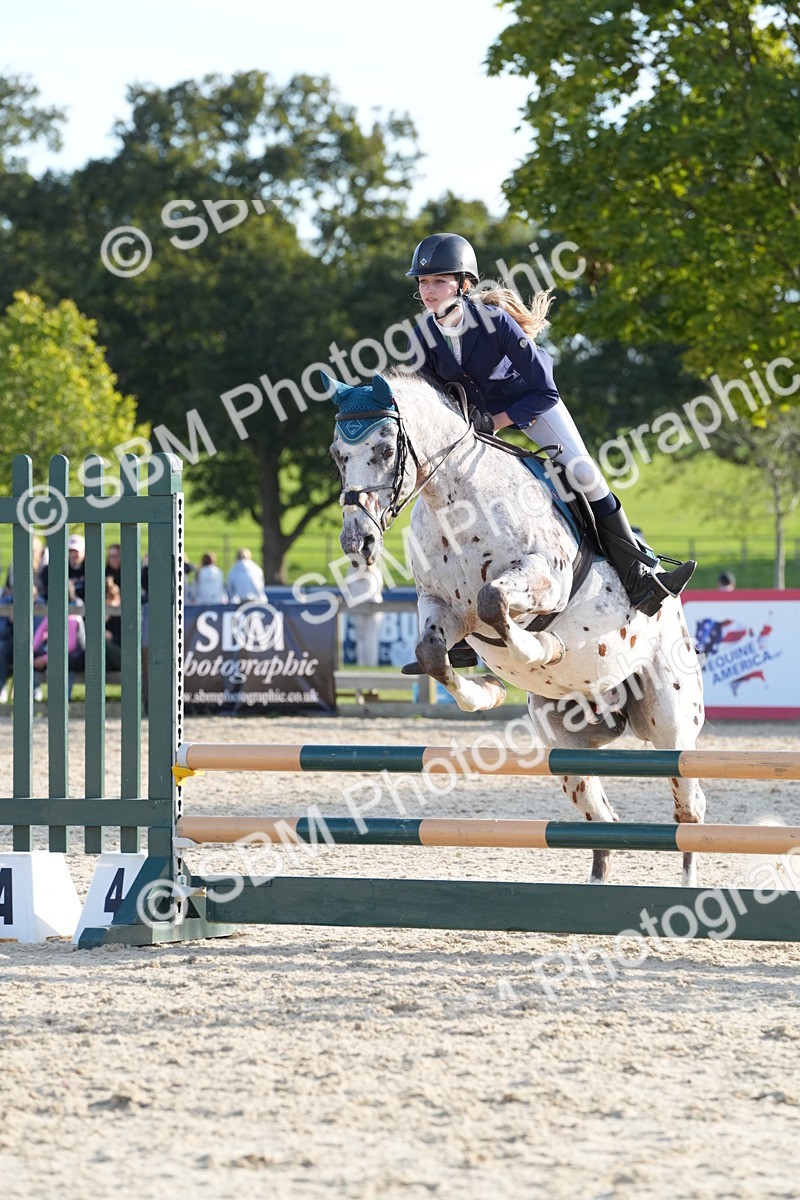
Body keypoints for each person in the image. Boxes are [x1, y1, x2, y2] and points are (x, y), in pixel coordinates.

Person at [405, 233, 696, 624]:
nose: (429, 290)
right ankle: (454, 607)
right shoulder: (422, 336)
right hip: (477, 422)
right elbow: (433, 401)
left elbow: (544, 391)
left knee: (583, 472)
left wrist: (496, 421)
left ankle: (640, 573)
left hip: (530, 405)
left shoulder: (495, 323)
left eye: (438, 281)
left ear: (463, 283)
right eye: (423, 282)